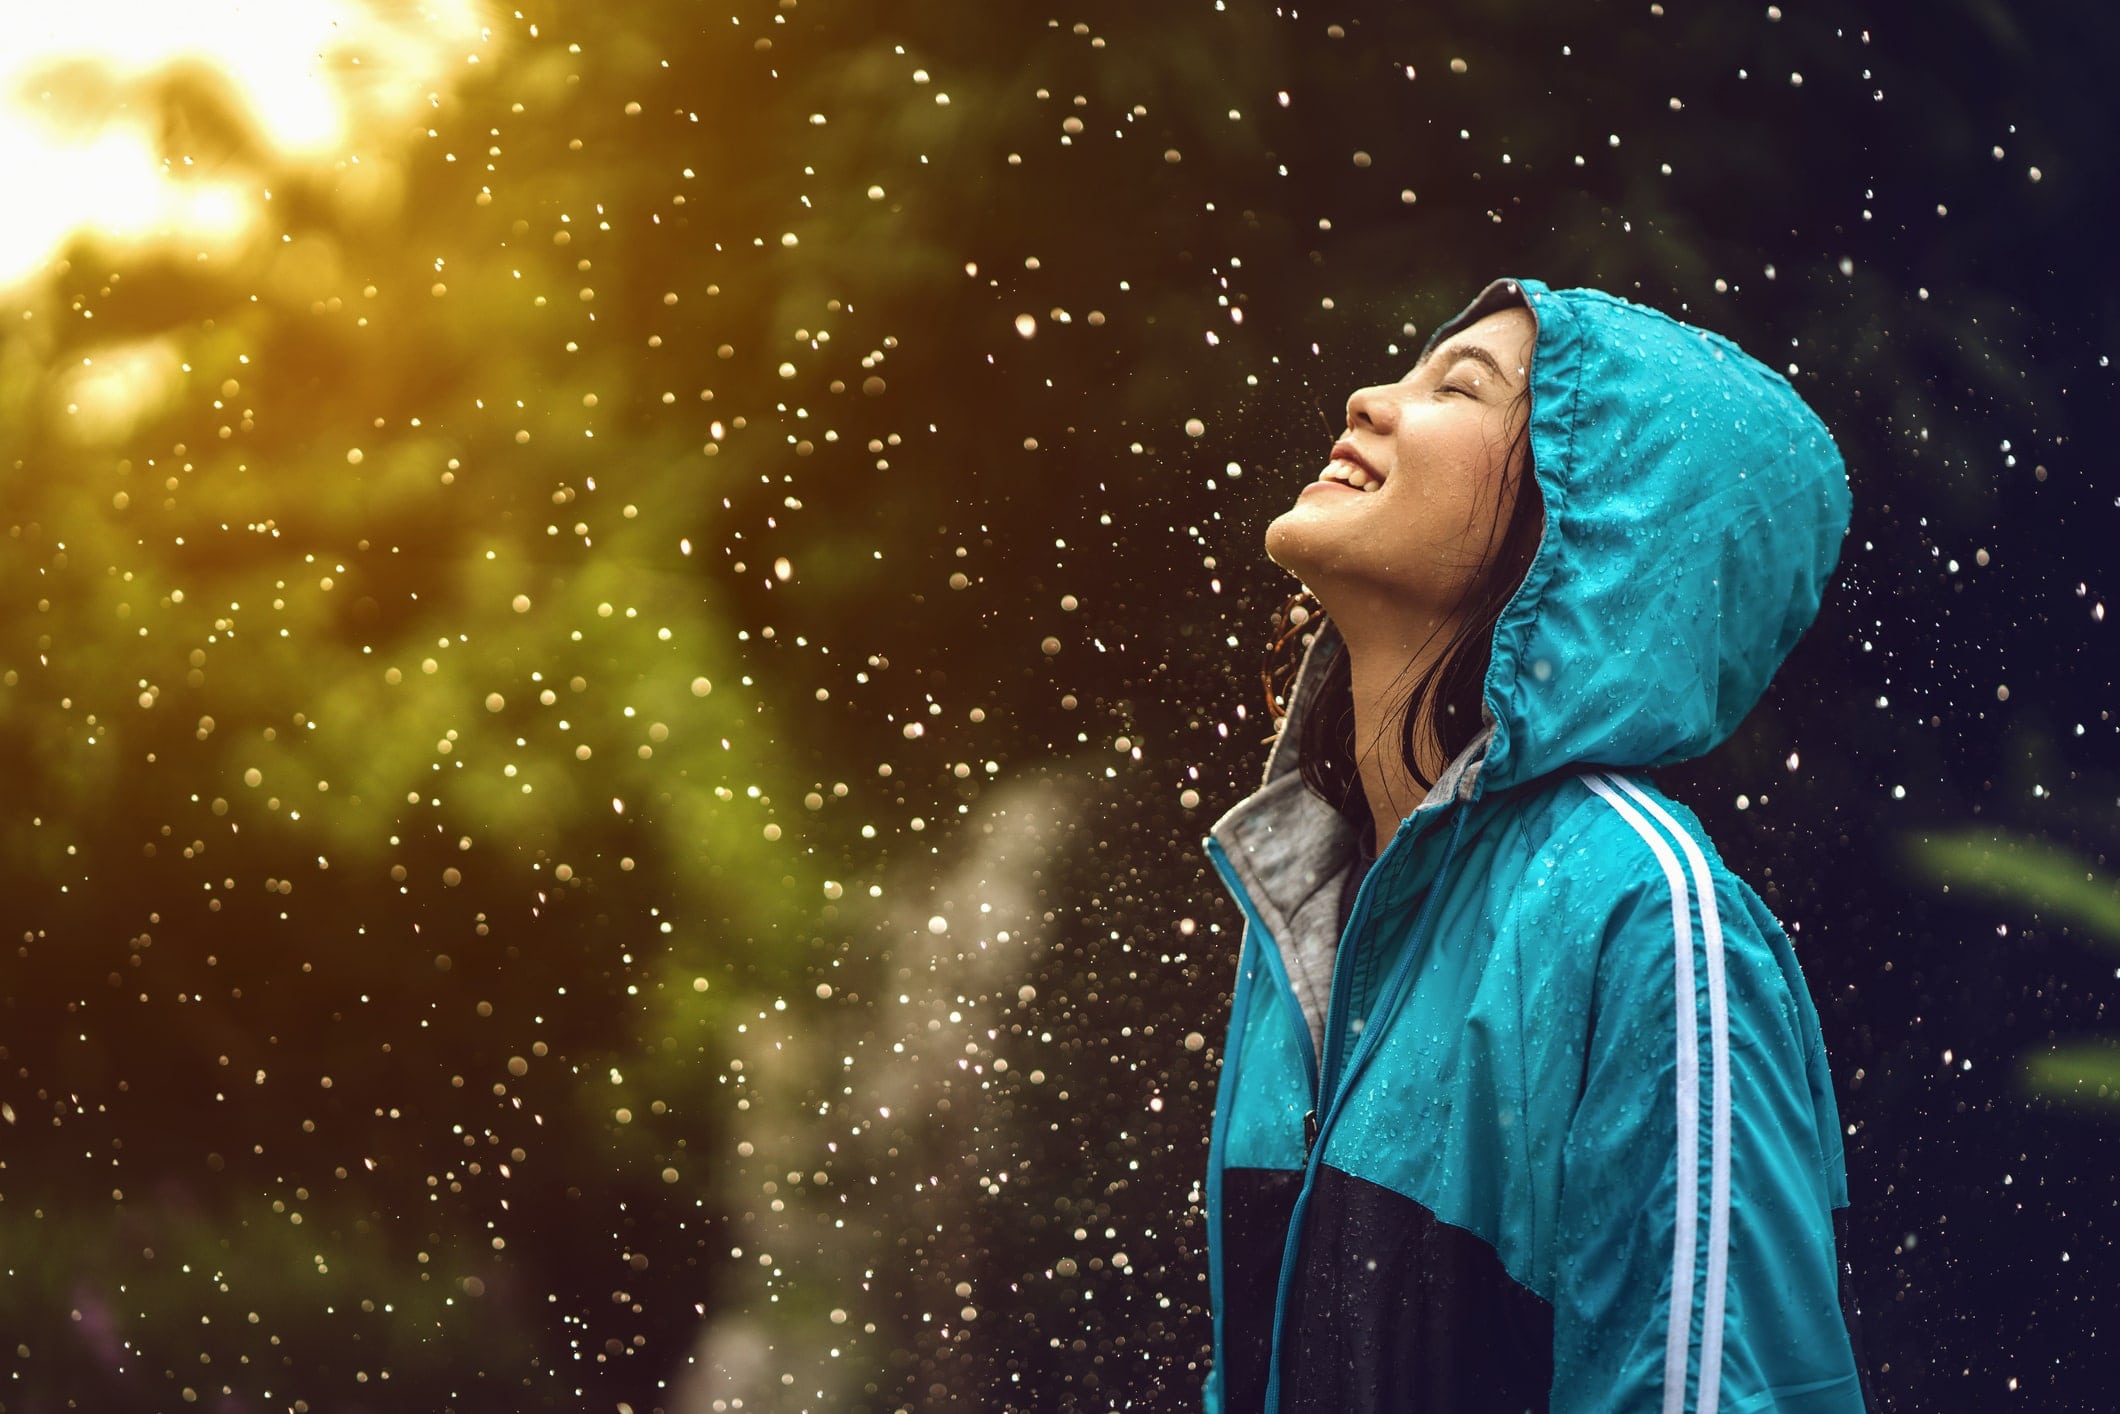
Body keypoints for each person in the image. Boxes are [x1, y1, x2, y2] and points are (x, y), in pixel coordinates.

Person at [1200, 277, 1875, 1413]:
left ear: (1593, 525)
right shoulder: (1313, 894)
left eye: (1456, 387)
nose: (1367, 399)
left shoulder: (1641, 914)